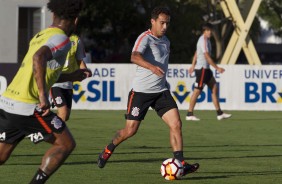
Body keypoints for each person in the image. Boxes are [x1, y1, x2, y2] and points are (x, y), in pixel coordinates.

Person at [97, 6, 199, 176]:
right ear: (152, 21)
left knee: (176, 124)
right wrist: (152, 67)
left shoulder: (166, 41)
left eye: (167, 23)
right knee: (130, 130)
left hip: (161, 92)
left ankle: (180, 163)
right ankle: (109, 149)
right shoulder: (145, 38)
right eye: (162, 23)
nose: (165, 27)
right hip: (140, 93)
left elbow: (162, 64)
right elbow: (134, 56)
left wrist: (163, 81)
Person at [0, 0, 86, 183]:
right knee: (66, 144)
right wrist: (42, 96)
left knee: (1, 156)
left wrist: (72, 76)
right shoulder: (62, 39)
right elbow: (39, 57)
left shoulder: (41, 35)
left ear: (53, 15)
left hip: (8, 102)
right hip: (27, 105)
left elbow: (42, 71)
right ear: (75, 20)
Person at [186, 23, 232, 121]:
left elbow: (196, 53)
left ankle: (219, 113)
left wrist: (192, 65)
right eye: (208, 30)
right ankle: (189, 114)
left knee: (214, 88)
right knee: (197, 91)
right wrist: (217, 68)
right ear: (204, 32)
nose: (210, 32)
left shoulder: (207, 40)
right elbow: (206, 56)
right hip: (202, 70)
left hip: (206, 70)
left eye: (211, 30)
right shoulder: (202, 40)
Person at [50, 34, 92, 122]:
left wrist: (85, 70)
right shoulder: (53, 36)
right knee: (63, 113)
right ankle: (48, 132)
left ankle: (46, 128)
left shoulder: (76, 40)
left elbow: (79, 60)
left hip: (68, 83)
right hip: (55, 82)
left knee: (65, 116)